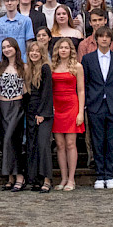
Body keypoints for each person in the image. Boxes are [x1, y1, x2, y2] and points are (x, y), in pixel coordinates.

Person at [80, 26, 113, 189]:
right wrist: (86, 105)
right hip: (95, 105)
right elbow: (84, 84)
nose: (104, 39)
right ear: (97, 39)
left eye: (107, 37)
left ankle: (110, 175)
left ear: (112, 40)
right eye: (101, 36)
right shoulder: (88, 59)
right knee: (97, 141)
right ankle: (100, 175)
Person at [49, 38, 84, 192]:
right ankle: (63, 178)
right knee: (60, 144)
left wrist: (80, 112)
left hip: (71, 105)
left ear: (71, 50)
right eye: (61, 48)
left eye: (66, 47)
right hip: (56, 107)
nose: (63, 50)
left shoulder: (77, 66)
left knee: (70, 143)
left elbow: (81, 90)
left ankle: (71, 179)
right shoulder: (52, 66)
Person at [0, 39, 27, 192]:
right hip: (2, 106)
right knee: (6, 141)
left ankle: (20, 176)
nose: (6, 49)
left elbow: (26, 88)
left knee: (12, 140)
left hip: (17, 106)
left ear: (15, 48)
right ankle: (10, 178)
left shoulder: (23, 66)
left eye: (9, 46)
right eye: (4, 47)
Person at [22, 41, 54, 193]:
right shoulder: (29, 69)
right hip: (31, 112)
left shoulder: (45, 68)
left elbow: (47, 92)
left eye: (37, 51)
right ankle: (35, 179)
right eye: (32, 51)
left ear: (42, 54)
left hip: (43, 113)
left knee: (43, 145)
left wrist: (42, 113)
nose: (34, 53)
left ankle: (47, 180)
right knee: (32, 145)